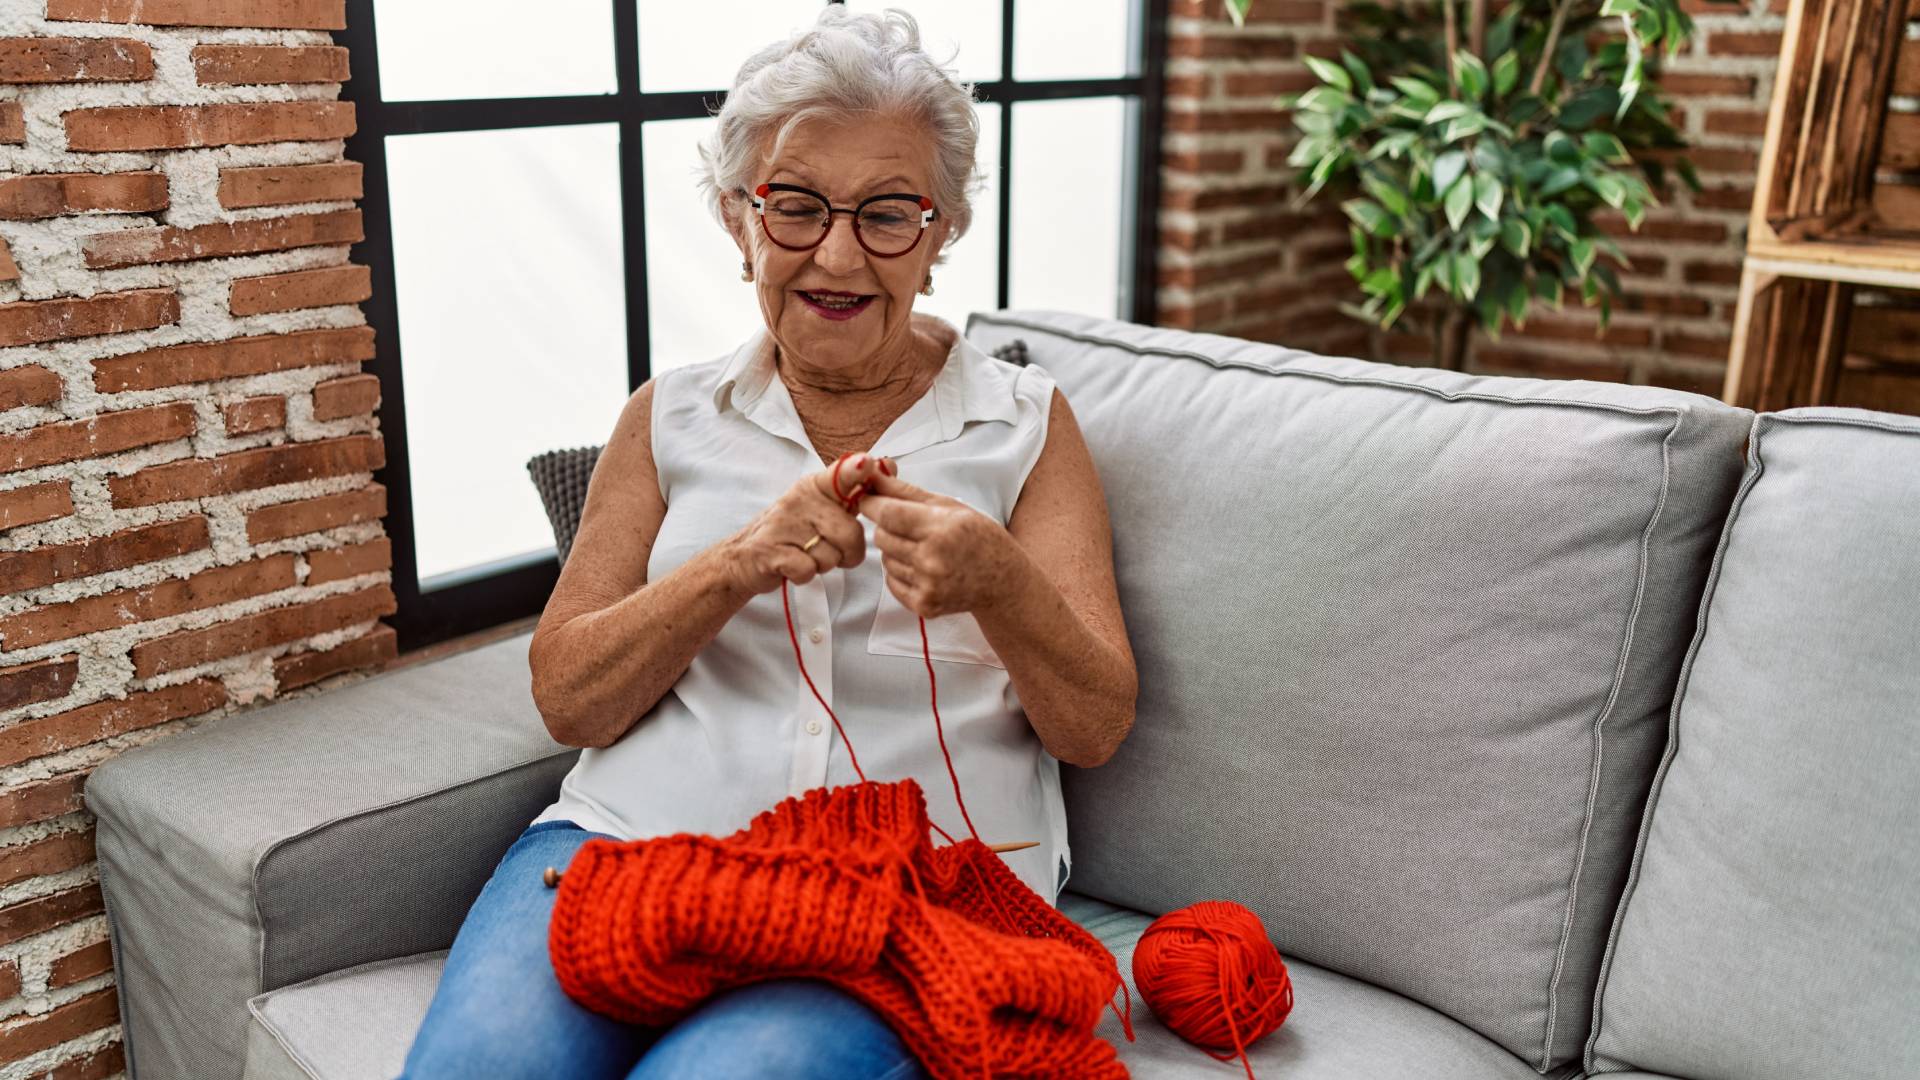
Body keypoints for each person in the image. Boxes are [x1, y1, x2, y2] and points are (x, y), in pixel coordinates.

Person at [397, 7, 1135, 1078]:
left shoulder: (1026, 425)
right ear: (742, 223)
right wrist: (735, 562)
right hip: (632, 843)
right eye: (794, 207)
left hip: (905, 894)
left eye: (888, 213)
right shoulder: (667, 416)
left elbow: (1096, 725)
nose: (836, 253)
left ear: (940, 235)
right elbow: (569, 697)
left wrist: (1000, 584)